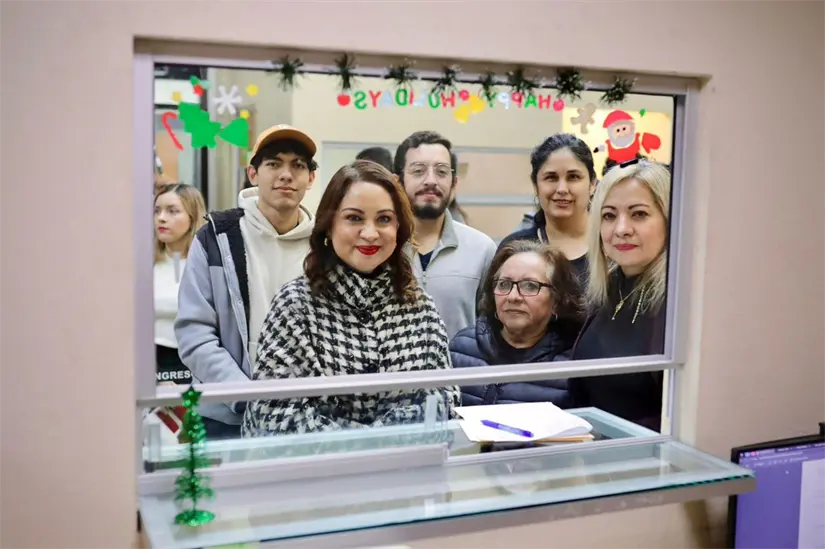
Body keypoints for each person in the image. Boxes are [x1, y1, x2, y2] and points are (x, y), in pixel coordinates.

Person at [241, 160, 459, 437]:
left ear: (399, 230)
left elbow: (444, 405)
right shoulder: (295, 305)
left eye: (384, 219)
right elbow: (275, 418)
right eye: (354, 218)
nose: (370, 233)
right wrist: (377, 442)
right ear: (329, 227)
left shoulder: (420, 308)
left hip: (404, 476)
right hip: (315, 477)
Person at [175, 124, 318, 439]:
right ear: (253, 174)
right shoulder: (216, 238)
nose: (285, 174)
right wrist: (245, 397)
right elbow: (195, 334)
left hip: (307, 422)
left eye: (298, 165)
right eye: (273, 164)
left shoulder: (326, 247)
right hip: (225, 420)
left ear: (311, 178)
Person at [569, 160, 670, 430]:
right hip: (596, 458)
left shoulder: (678, 304)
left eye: (638, 214)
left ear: (670, 220)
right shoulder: (606, 288)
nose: (621, 229)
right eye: (609, 215)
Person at [450, 240, 584, 407]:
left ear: (557, 301)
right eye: (504, 284)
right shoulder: (462, 348)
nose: (513, 296)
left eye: (530, 286)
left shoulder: (574, 365)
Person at [394, 131, 496, 339]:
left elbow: (493, 330)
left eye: (441, 172)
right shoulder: (381, 247)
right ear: (398, 182)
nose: (430, 180)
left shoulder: (482, 249)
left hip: (460, 370)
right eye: (418, 171)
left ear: (454, 184)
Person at [499, 134, 597, 282]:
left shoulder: (614, 245)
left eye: (573, 177)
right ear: (535, 185)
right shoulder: (515, 249)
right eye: (551, 177)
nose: (562, 189)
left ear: (592, 184)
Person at [153, 183, 206, 385]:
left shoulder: (208, 267)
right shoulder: (142, 266)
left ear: (192, 218)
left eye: (172, 211)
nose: (162, 218)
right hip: (148, 364)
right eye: (157, 211)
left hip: (191, 367)